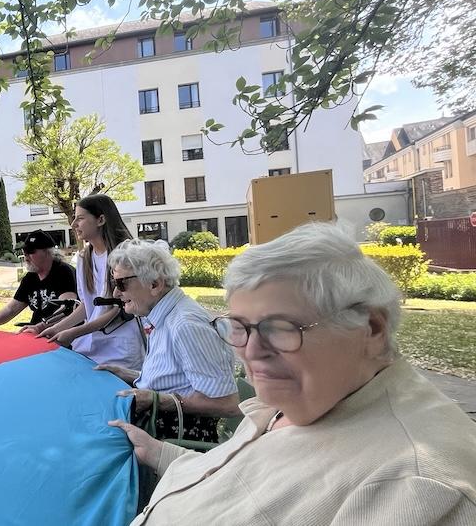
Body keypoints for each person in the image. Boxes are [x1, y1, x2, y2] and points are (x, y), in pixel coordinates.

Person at [109, 222, 476, 524]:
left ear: (372, 328)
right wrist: (160, 453)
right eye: (239, 326)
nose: (251, 353)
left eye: (280, 328)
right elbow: (241, 477)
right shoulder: (306, 399)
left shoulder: (418, 486)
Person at [101, 238, 239, 441]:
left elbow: (227, 404)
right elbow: (177, 379)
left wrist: (156, 400)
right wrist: (127, 374)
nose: (116, 292)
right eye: (114, 283)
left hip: (178, 439)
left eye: (122, 283)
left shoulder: (185, 324)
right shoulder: (163, 314)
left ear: (155, 284)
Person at [38, 195, 142, 370]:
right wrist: (55, 328)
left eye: (80, 218)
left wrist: (74, 332)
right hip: (92, 344)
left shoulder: (125, 255)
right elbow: (87, 305)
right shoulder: (84, 258)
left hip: (120, 350)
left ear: (100, 219)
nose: (73, 224)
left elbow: (120, 310)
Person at [0, 229, 77, 330]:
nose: (26, 256)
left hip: (64, 334)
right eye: (24, 251)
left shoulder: (64, 272)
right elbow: (12, 309)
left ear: (47, 252)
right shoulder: (30, 278)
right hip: (37, 332)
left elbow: (66, 309)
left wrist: (40, 327)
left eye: (30, 251)